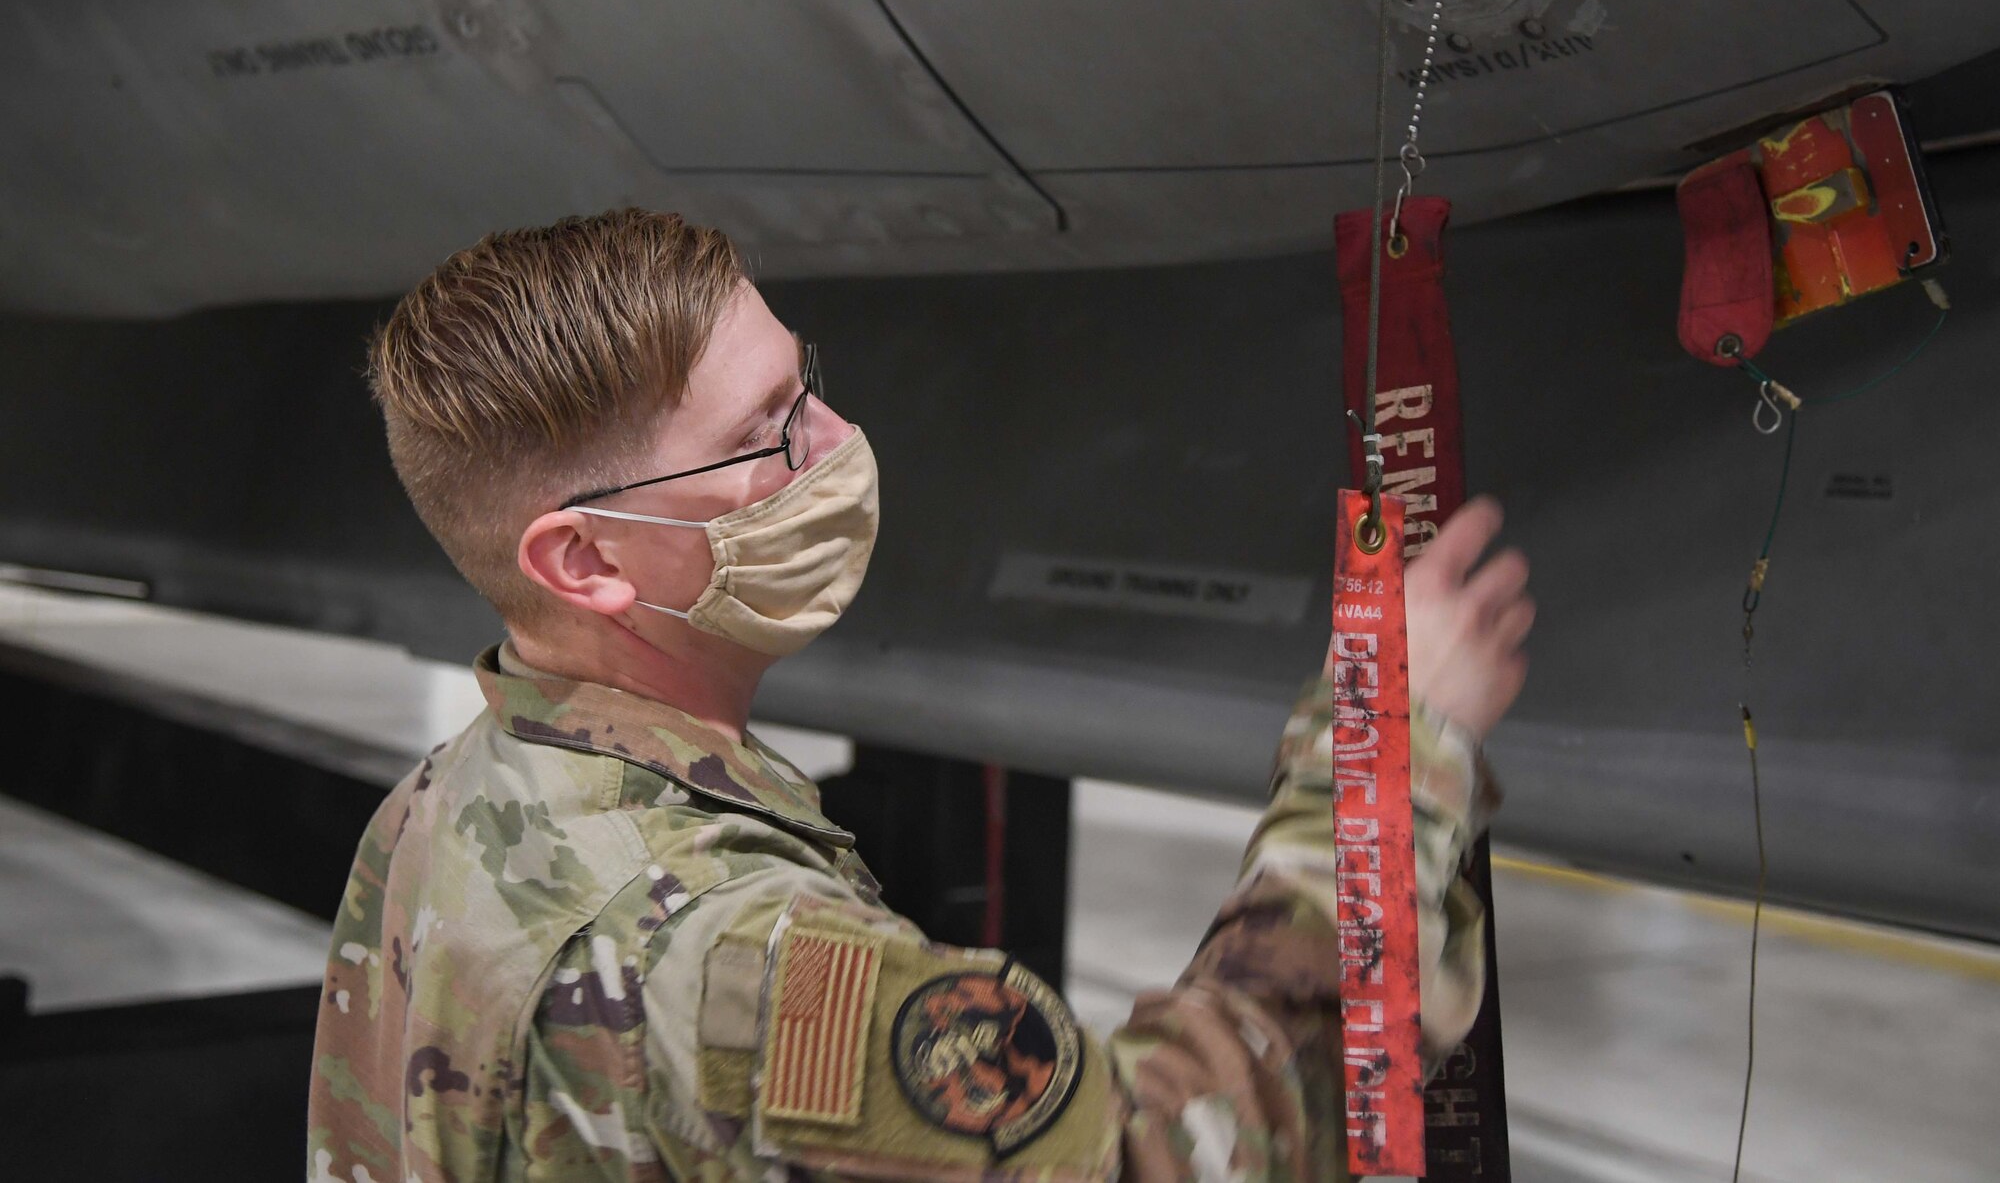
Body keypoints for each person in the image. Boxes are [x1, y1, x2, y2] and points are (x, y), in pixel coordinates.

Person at [308, 208, 1532, 1182]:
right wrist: (1386, 746)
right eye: (767, 437)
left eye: (807, 387)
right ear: (583, 560)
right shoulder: (745, 955)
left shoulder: (437, 813)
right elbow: (1164, 1153)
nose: (837, 444)